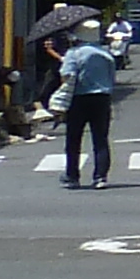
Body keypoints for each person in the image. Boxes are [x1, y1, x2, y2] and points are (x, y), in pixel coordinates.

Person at [59, 30, 122, 187]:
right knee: (100, 139)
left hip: (78, 98)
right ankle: (100, 177)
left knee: (73, 139)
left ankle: (72, 176)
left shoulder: (74, 53)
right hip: (102, 98)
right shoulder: (106, 53)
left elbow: (66, 75)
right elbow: (112, 78)